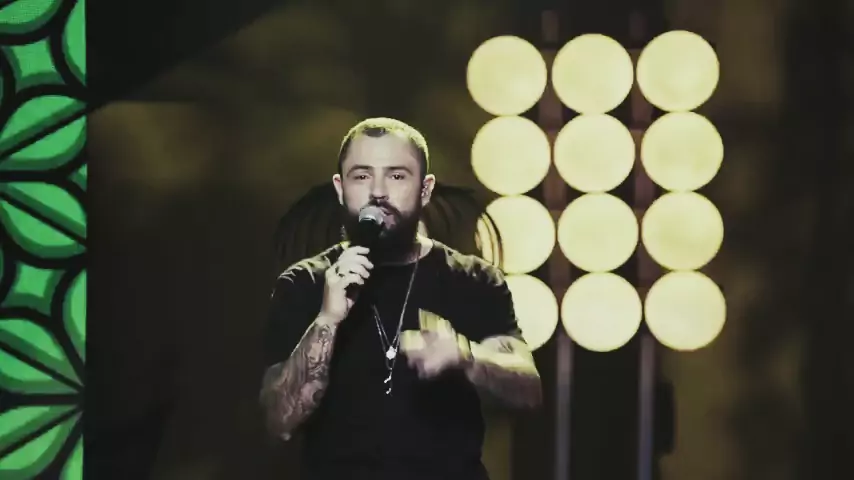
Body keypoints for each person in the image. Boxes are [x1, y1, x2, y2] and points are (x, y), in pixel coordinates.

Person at [259, 117, 542, 480]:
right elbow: (279, 420)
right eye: (362, 176)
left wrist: (466, 356)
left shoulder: (473, 280)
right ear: (340, 188)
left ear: (425, 190)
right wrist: (327, 320)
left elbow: (529, 391)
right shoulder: (305, 282)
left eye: (396, 176)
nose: (378, 192)